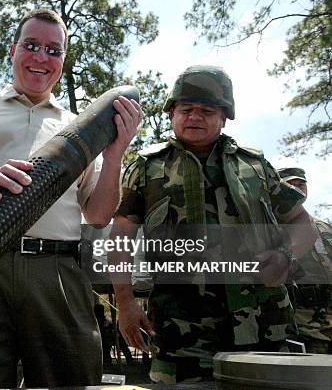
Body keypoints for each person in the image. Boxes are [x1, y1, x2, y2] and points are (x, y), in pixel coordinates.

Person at [0, 8, 143, 388]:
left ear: (62, 63)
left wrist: (114, 155)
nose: (41, 57)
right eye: (31, 45)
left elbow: (98, 214)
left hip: (57, 272)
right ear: (13, 50)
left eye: (54, 50)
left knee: (70, 380)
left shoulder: (79, 129)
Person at [109, 65, 318, 383]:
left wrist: (285, 256)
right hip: (182, 335)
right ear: (171, 114)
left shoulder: (256, 165)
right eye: (186, 109)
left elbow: (303, 223)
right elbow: (120, 238)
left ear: (224, 117)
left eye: (206, 110)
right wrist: (124, 303)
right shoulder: (146, 168)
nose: (195, 117)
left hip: (266, 325)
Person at [278, 167, 332, 351]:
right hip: (298, 324)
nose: (297, 189)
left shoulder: (323, 227)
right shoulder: (268, 226)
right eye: (290, 185)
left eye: (301, 184)